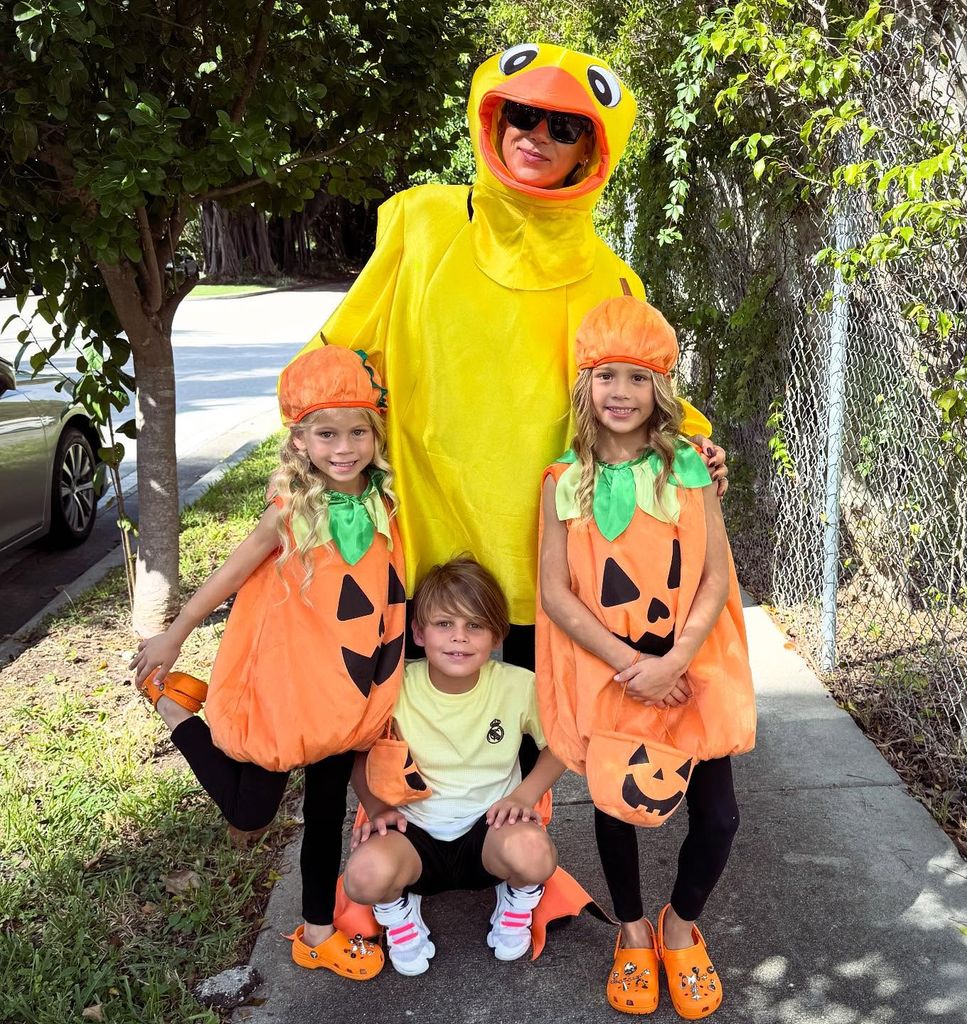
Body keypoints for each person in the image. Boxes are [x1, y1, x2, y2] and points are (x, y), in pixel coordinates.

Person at [297, 43, 727, 670]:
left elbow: (637, 380)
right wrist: (307, 432)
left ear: (592, 150)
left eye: (566, 126)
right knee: (407, 736)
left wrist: (695, 443)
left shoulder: (610, 277)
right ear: (495, 117)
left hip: (541, 536)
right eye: (524, 113)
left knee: (522, 729)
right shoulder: (423, 222)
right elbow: (347, 343)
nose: (537, 135)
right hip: (424, 519)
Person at [130, 345, 406, 983]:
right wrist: (175, 633)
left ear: (375, 434)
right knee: (250, 814)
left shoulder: (382, 500)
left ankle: (315, 932)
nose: (344, 447)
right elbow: (232, 572)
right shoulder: (291, 509)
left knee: (326, 811)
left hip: (346, 687)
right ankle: (173, 706)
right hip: (287, 686)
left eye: (358, 431)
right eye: (326, 433)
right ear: (300, 438)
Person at [536, 296, 756, 1018]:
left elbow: (716, 574)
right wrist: (632, 665)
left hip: (691, 664)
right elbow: (558, 592)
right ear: (585, 386)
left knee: (718, 816)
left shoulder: (690, 468)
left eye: (637, 378)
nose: (621, 393)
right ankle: (631, 931)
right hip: (612, 669)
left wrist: (676, 659)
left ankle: (680, 925)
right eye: (607, 378)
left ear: (659, 388)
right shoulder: (561, 481)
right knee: (617, 803)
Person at [340, 557, 566, 976]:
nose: (459, 638)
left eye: (474, 626)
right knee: (363, 877)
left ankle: (516, 901)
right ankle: (397, 911)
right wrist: (375, 808)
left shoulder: (518, 685)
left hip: (489, 832)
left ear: (497, 634)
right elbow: (359, 751)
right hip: (414, 833)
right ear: (419, 632)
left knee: (536, 856)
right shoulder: (394, 687)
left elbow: (562, 745)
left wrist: (524, 794)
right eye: (444, 624)